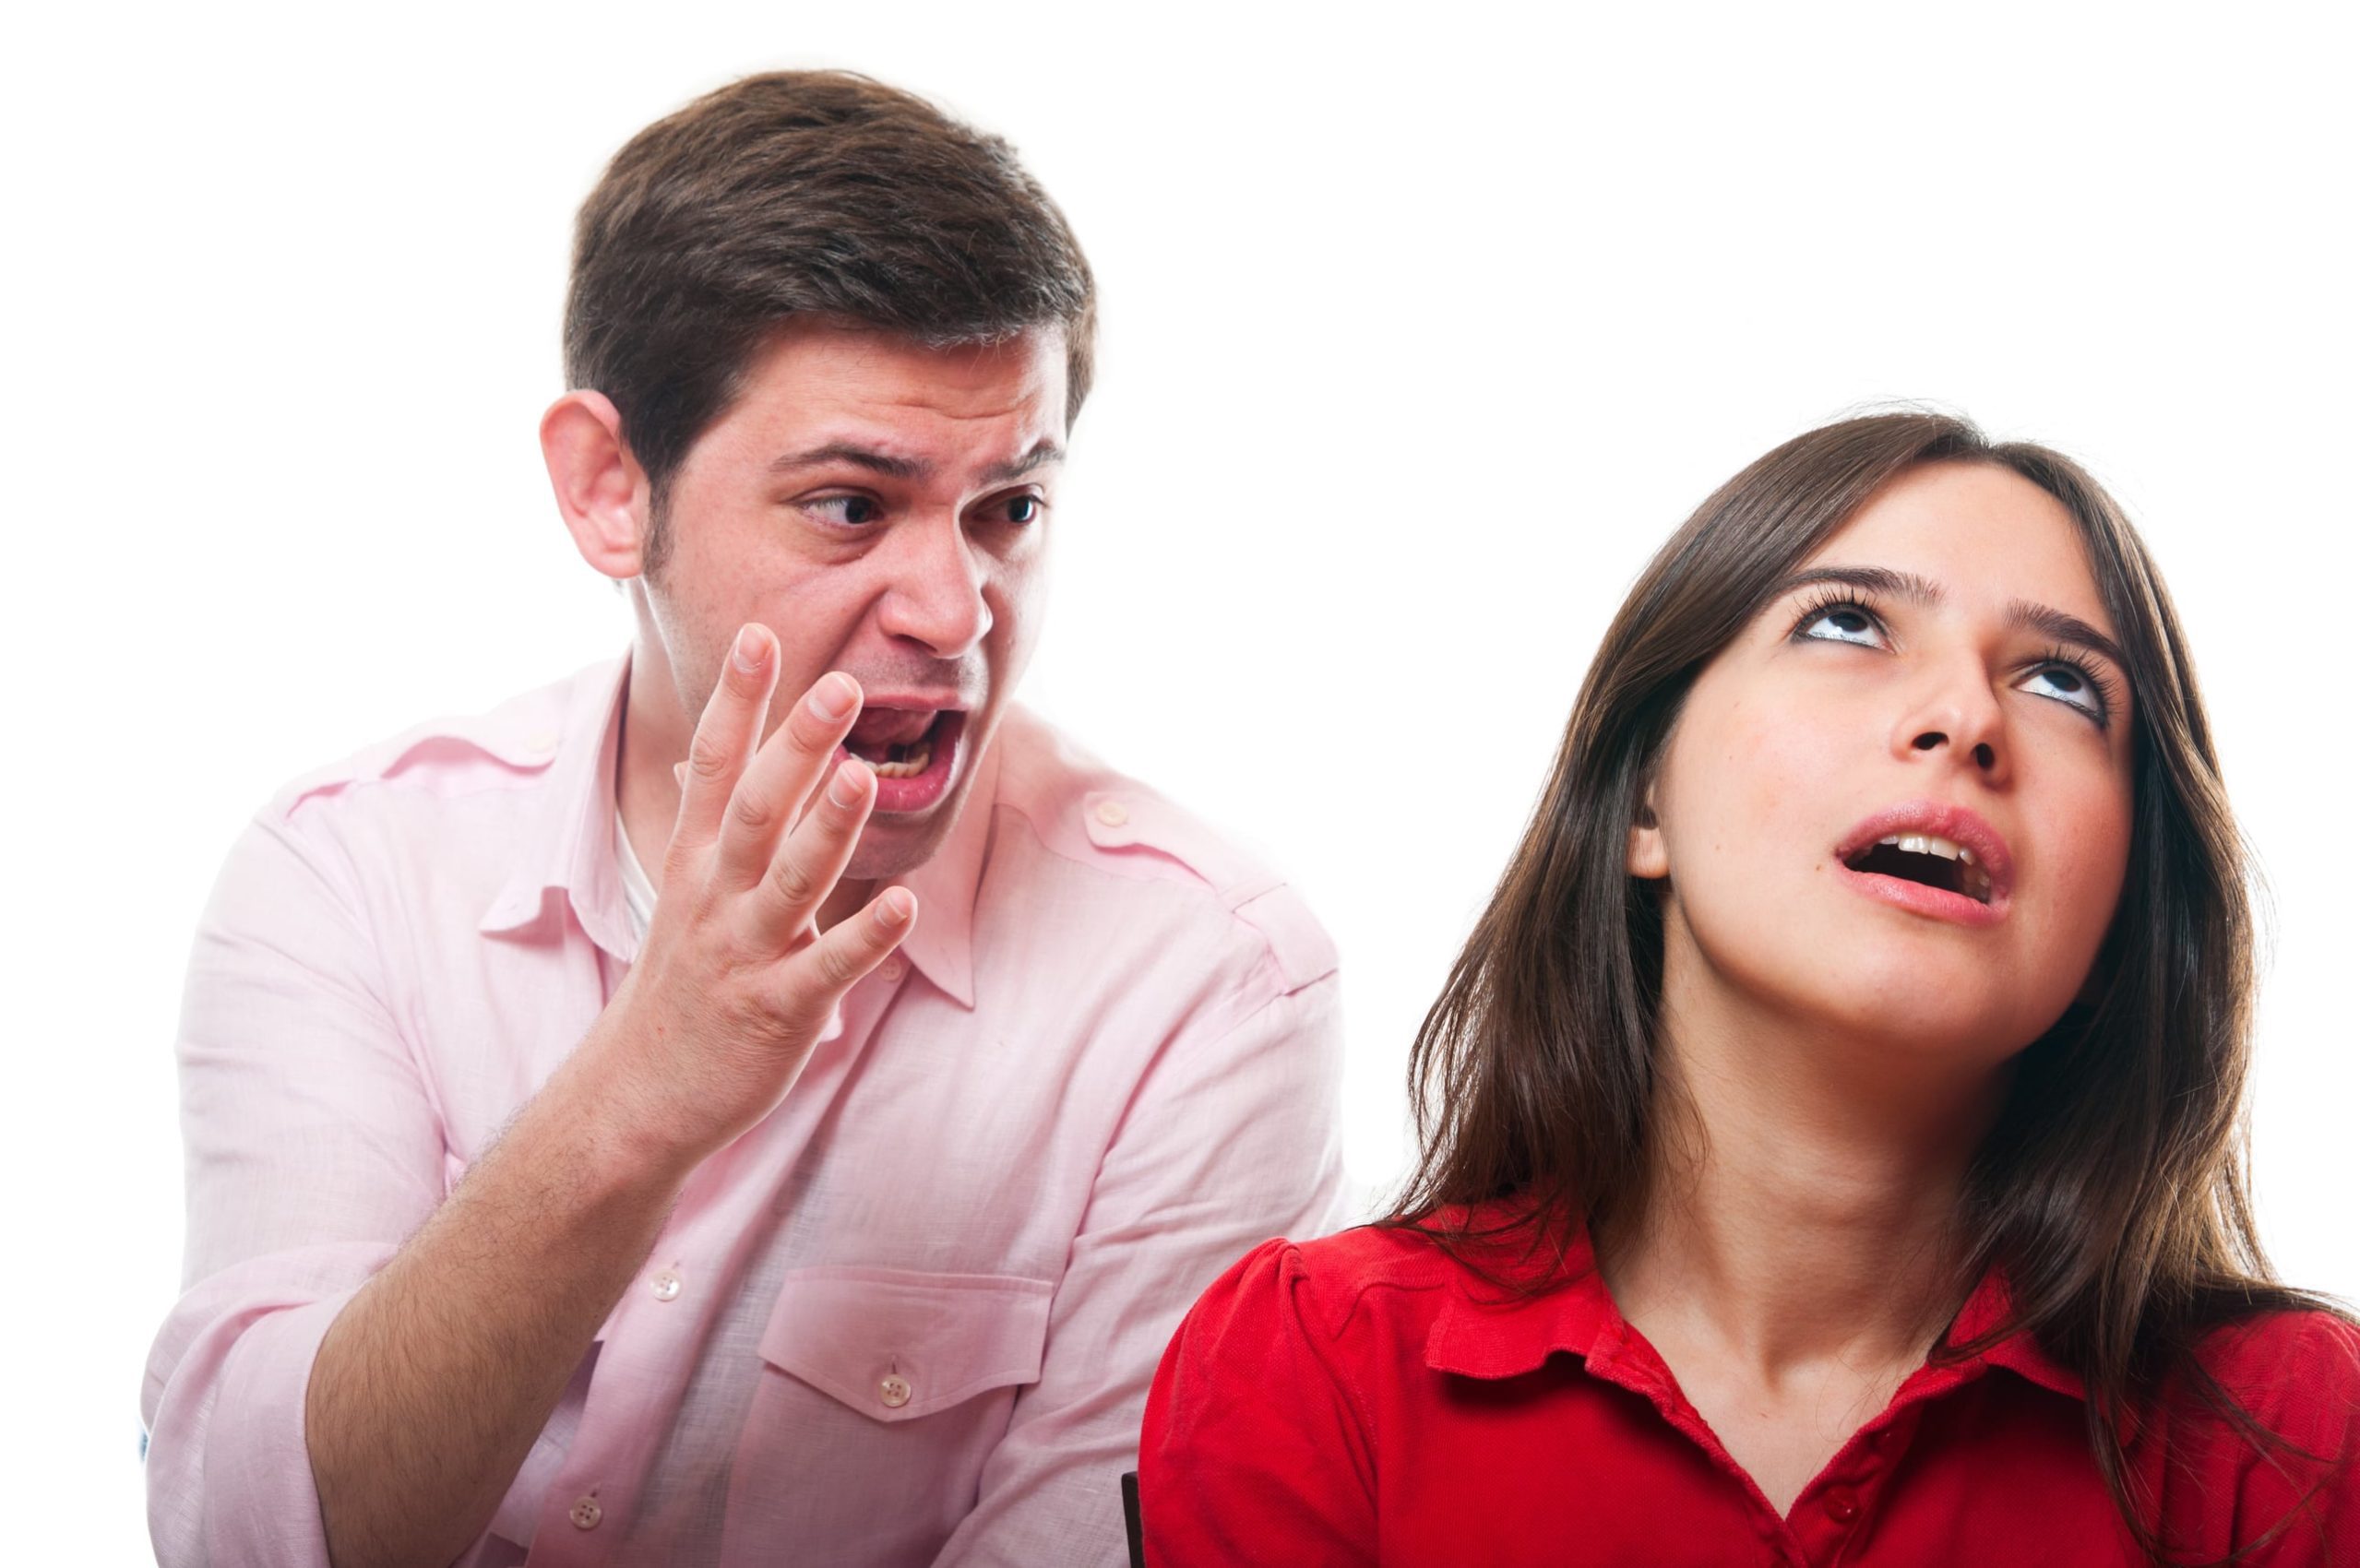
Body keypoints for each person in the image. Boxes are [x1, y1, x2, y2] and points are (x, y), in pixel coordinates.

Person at [143, 71, 1344, 1568]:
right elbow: (258, 1541)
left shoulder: (1209, 982)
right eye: (851, 505)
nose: (955, 611)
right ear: (607, 491)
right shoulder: (348, 879)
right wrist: (642, 1089)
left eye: (1009, 509)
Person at [1141, 411, 2360, 1564]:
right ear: (1643, 802)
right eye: (1848, 624)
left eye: (2064, 686)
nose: (1963, 717)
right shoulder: (1314, 1366)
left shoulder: (2301, 1432)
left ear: (2121, 920)